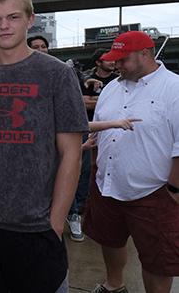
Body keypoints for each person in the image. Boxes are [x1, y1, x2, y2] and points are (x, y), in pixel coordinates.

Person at [0, 0, 89, 292]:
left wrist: (54, 225)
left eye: (13, 17)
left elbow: (71, 153)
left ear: (30, 19)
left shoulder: (57, 74)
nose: (4, 26)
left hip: (35, 229)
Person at [83, 31, 179, 293]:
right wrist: (95, 167)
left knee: (158, 257)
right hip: (108, 184)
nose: (117, 65)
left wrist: (174, 188)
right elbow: (99, 132)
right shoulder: (112, 88)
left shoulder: (174, 88)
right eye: (114, 60)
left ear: (145, 54)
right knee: (109, 239)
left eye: (122, 59)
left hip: (154, 190)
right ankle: (114, 285)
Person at [67, 48, 120, 242]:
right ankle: (74, 212)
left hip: (113, 132)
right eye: (107, 59)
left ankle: (83, 206)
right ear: (98, 62)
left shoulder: (118, 79)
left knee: (91, 171)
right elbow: (79, 103)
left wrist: (94, 100)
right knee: (78, 168)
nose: (113, 62)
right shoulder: (85, 77)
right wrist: (103, 101)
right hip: (85, 130)